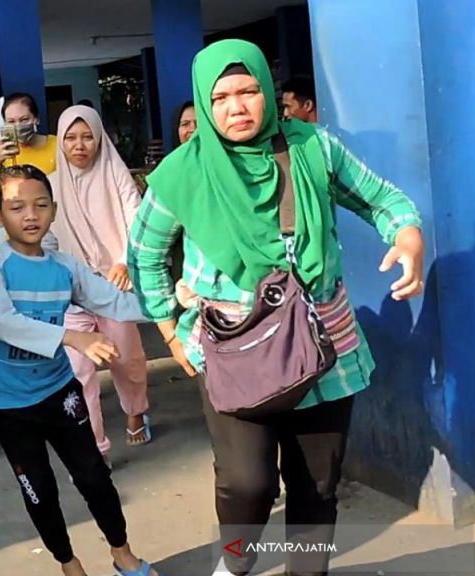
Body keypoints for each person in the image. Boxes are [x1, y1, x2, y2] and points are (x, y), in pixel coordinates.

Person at [128, 39, 425, 576]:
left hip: (320, 347)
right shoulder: (180, 175)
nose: (236, 108)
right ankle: (235, 564)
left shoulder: (314, 149)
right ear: (204, 102)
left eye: (247, 92)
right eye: (220, 98)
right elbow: (145, 256)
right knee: (248, 482)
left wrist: (407, 238)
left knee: (317, 485)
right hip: (229, 349)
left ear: (267, 90)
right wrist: (171, 333)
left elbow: (384, 199)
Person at [0, 165, 157, 576]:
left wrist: (171, 302)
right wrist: (73, 338)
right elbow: (4, 323)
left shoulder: (65, 266)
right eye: (17, 206)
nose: (30, 215)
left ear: (54, 210)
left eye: (40, 205)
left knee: (93, 474)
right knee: (39, 489)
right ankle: (68, 563)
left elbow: (114, 302)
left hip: (59, 392)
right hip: (10, 405)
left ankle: (122, 553)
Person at [48, 106, 152, 460]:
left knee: (127, 358)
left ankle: (135, 410)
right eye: (71, 138)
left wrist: (124, 260)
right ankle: (96, 445)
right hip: (72, 294)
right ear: (60, 142)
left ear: (99, 138)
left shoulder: (115, 175)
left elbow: (136, 219)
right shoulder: (50, 185)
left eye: (87, 136)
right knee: (79, 371)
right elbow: (43, 238)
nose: (80, 145)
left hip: (114, 287)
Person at [0, 92, 57, 202]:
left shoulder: (56, 145)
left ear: (36, 119)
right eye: (11, 121)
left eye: (24, 120)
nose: (18, 126)